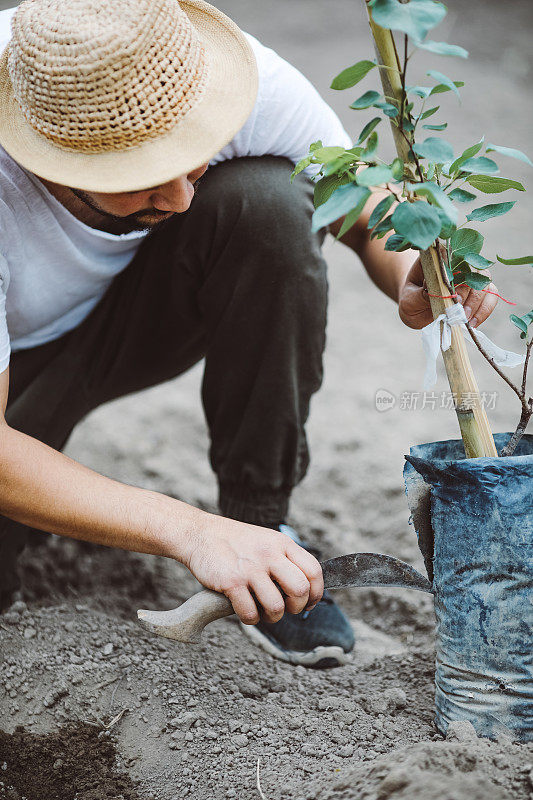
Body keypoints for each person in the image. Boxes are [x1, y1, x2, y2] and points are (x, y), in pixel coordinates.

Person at [0, 0, 497, 668]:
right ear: (45, 154)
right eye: (141, 182)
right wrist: (187, 531)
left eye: (194, 159)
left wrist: (414, 272)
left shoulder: (216, 75)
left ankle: (257, 526)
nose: (180, 199)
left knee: (266, 202)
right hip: (20, 361)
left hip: (137, 310)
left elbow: (363, 207)